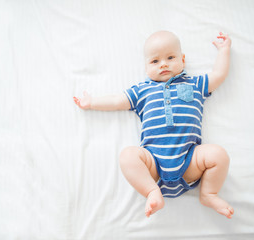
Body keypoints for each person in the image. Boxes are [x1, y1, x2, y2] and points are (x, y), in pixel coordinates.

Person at [73, 31, 234, 218]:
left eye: (170, 57)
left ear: (183, 59)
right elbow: (117, 100)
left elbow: (219, 74)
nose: (163, 64)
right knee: (128, 156)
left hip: (190, 162)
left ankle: (208, 193)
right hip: (154, 166)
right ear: (146, 67)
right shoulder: (142, 91)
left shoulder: (195, 84)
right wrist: (92, 102)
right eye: (155, 61)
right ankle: (151, 191)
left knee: (218, 155)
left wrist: (224, 50)